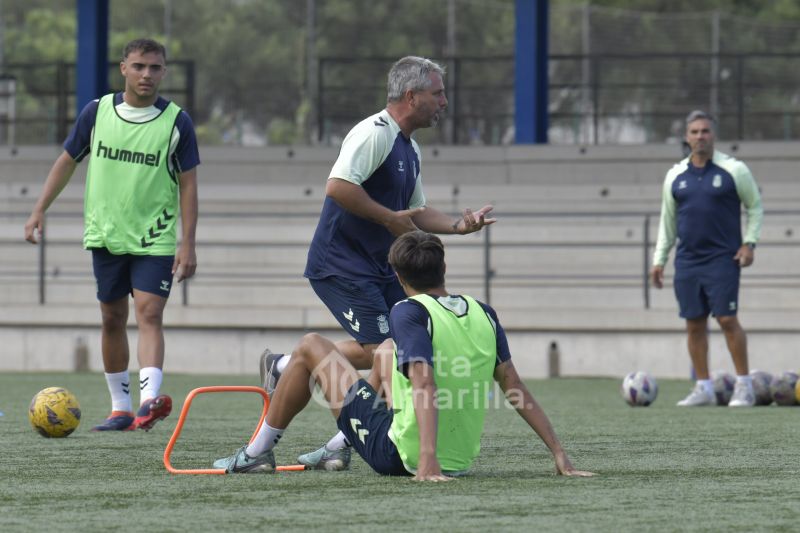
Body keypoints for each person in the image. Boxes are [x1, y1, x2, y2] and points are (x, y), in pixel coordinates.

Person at [259, 56, 495, 466]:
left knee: (401, 350)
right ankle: (287, 365)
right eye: (437, 93)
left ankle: (339, 445)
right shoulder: (373, 134)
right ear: (412, 95)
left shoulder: (410, 146)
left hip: (380, 266)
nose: (444, 101)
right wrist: (388, 219)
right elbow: (337, 187)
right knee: (380, 349)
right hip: (340, 264)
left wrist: (459, 225)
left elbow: (415, 213)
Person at [215, 231, 594, 480]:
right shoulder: (484, 311)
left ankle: (257, 453)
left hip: (399, 456)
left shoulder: (407, 310)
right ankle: (337, 447)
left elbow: (424, 381)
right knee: (385, 350)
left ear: (397, 278)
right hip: (460, 463)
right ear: (444, 268)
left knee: (311, 345)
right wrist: (560, 454)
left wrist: (426, 461)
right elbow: (514, 385)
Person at [23, 38, 200, 430]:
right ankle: (120, 407)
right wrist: (39, 210)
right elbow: (67, 161)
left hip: (154, 237)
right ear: (123, 68)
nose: (146, 75)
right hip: (106, 234)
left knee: (149, 312)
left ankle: (149, 403)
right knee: (111, 317)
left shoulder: (176, 122)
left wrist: (188, 242)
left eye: (155, 68)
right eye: (138, 66)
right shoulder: (97, 112)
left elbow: (188, 184)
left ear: (164, 72)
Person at [651, 110, 762, 407]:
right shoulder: (675, 176)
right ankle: (704, 387)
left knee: (727, 319)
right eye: (695, 132)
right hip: (687, 262)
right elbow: (667, 222)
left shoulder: (734, 170)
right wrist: (659, 260)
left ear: (714, 135)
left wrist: (749, 244)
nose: (700, 136)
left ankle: (744, 385)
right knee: (694, 324)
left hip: (723, 259)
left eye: (705, 131)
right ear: (687, 138)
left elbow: (756, 207)